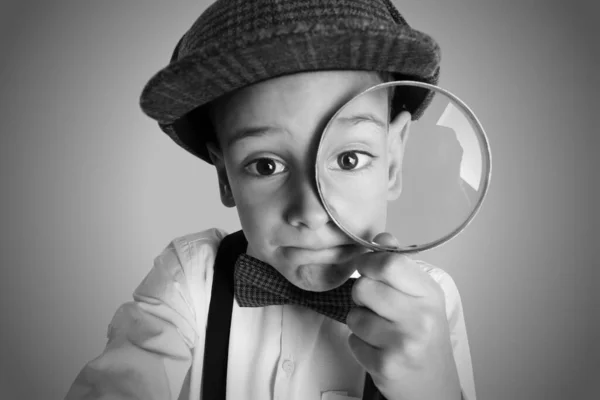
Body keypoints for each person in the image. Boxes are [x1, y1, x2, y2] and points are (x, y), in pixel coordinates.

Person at [65, 0, 476, 399]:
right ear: (225, 175)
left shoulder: (430, 303)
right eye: (266, 166)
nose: (312, 212)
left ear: (392, 160)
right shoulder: (188, 281)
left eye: (349, 159)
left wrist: (434, 387)